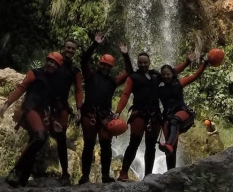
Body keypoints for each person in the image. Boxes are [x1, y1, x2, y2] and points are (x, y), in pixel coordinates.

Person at [115, 51, 190, 181]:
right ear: (137, 63)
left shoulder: (156, 76)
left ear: (149, 63)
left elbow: (173, 71)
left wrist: (187, 62)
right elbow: (125, 95)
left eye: (145, 62)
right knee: (134, 143)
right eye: (140, 62)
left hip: (154, 115)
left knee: (150, 146)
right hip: (139, 113)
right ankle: (124, 172)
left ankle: (147, 176)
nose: (143, 64)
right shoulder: (134, 77)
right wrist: (118, 111)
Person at [0, 52, 63, 187]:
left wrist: (53, 121)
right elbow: (21, 88)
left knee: (34, 141)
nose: (51, 65)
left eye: (54, 64)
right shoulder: (35, 73)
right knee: (40, 137)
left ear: (58, 67)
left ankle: (23, 180)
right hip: (30, 108)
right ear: (46, 61)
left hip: (43, 113)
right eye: (50, 61)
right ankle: (16, 170)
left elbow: (53, 103)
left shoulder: (56, 82)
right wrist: (7, 103)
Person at [78, 33, 128, 184]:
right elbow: (84, 60)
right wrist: (95, 44)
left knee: (106, 144)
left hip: (105, 115)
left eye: (108, 66)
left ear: (111, 68)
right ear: (99, 64)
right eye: (103, 64)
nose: (105, 67)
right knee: (88, 144)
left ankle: (105, 175)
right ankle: (85, 175)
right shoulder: (90, 76)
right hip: (90, 113)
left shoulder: (113, 81)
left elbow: (129, 73)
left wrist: (125, 56)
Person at [157, 53, 208, 169]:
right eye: (164, 75)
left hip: (182, 111)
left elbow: (195, 76)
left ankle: (169, 144)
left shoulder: (179, 83)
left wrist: (204, 63)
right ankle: (170, 171)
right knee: (171, 149)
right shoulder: (159, 88)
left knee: (175, 121)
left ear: (172, 74)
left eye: (168, 74)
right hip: (167, 115)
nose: (166, 76)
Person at [50, 38, 83, 185]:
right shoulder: (55, 62)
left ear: (75, 51)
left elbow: (78, 90)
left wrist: (79, 108)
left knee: (62, 139)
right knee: (38, 134)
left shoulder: (75, 70)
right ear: (63, 48)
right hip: (47, 102)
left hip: (62, 106)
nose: (70, 50)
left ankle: (65, 174)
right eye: (68, 48)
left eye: (73, 49)